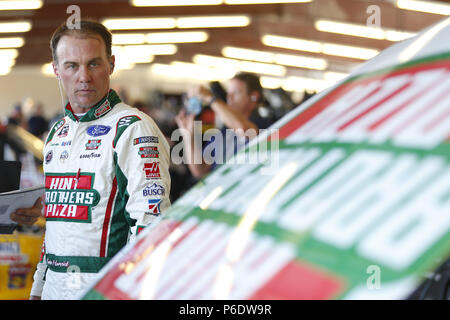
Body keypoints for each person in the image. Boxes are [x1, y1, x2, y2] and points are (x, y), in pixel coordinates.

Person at [10, 19, 171, 300]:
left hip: (104, 291)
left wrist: (125, 291)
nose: (84, 76)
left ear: (111, 64)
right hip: (53, 291)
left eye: (93, 64)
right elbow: (57, 228)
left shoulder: (133, 127)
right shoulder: (58, 133)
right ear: (57, 70)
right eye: (72, 65)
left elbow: (151, 222)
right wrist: (38, 288)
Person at [175, 72, 272, 179]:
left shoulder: (263, 125)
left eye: (236, 93)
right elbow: (200, 170)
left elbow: (244, 130)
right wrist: (188, 134)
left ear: (254, 97)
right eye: (228, 93)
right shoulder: (224, 132)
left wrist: (210, 98)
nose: (229, 97)